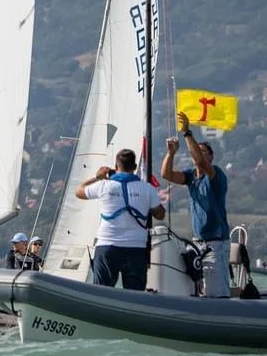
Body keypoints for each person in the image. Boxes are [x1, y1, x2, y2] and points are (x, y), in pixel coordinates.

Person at [161, 111, 231, 298]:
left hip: (216, 242)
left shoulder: (215, 174)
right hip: (198, 242)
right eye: (197, 151)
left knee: (216, 291)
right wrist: (170, 153)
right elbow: (167, 175)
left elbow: (200, 160)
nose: (198, 154)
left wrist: (187, 133)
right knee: (200, 289)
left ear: (211, 157)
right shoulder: (191, 176)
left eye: (204, 151)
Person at [77, 148, 166, 291]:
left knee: (101, 293)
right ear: (135, 167)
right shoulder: (148, 189)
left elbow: (79, 191)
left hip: (107, 247)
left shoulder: (104, 186)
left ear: (116, 167)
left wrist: (97, 177)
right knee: (135, 297)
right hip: (136, 249)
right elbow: (160, 215)